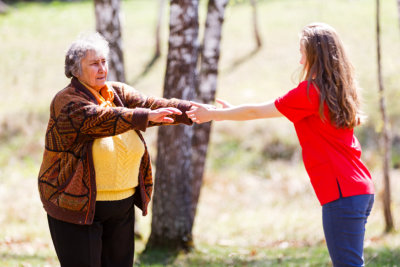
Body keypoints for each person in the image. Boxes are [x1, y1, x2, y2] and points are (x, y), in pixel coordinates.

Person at [187, 22, 374, 267]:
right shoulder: (340, 89)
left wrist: (213, 114)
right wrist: (229, 111)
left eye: (302, 53)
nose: (300, 61)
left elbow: (256, 112)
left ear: (315, 56)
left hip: (342, 193)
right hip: (359, 189)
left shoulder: (309, 93)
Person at [38, 32, 192, 267]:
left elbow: (151, 104)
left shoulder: (117, 93)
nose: (101, 68)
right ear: (75, 69)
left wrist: (190, 111)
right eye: (93, 63)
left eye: (104, 62)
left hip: (121, 206)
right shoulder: (67, 101)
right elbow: (99, 119)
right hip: (77, 209)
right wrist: (143, 116)